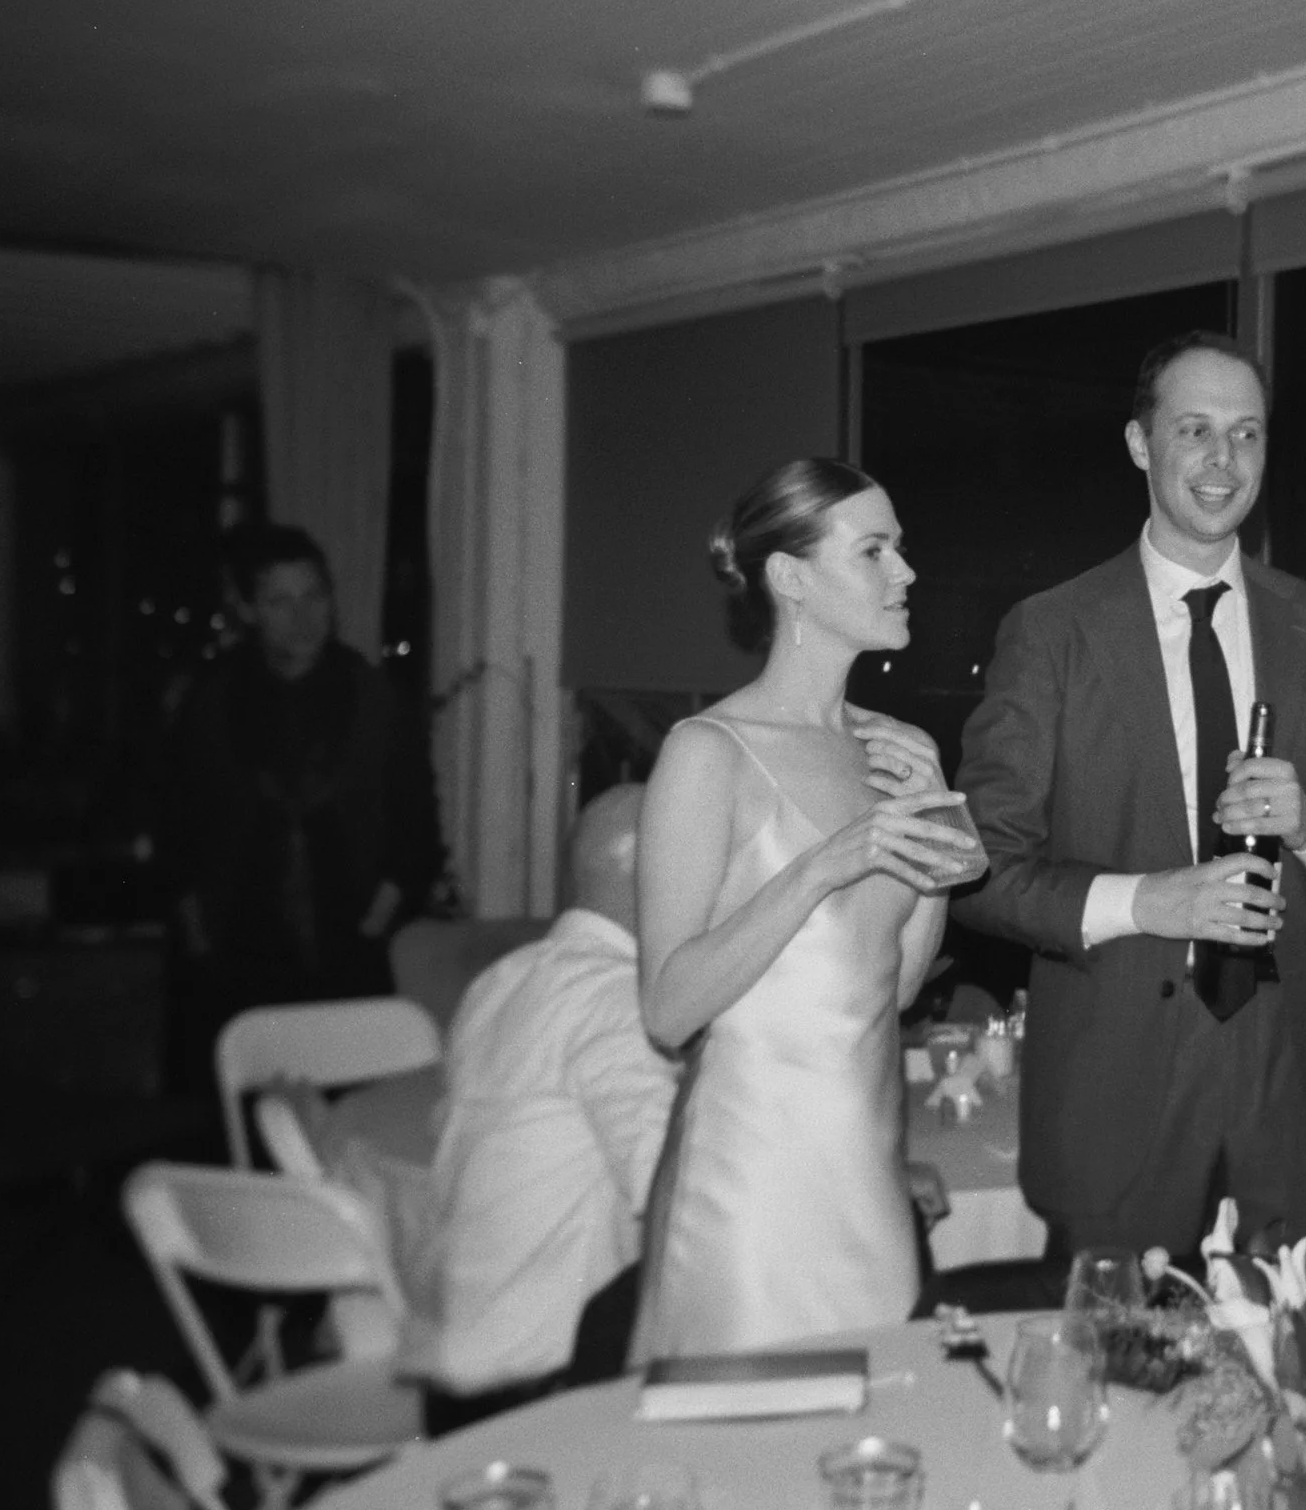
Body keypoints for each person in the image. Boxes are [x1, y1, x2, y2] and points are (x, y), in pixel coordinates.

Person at [952, 332, 1306, 1263]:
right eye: (1196, 431)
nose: (1223, 461)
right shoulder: (1052, 635)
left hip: (1300, 1082)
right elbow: (983, 869)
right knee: (1120, 1386)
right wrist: (1146, 901)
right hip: (1120, 1090)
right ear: (1140, 444)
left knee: (1296, 1389)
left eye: (1246, 435)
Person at [629, 460, 985, 1360]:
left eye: (899, 549)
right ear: (790, 578)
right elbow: (668, 1011)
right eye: (874, 551)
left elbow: (894, 989)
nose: (905, 573)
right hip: (750, 1199)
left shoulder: (896, 749)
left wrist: (942, 858)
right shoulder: (706, 753)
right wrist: (821, 866)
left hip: (865, 1186)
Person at [395, 785, 680, 1437]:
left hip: (454, 1373)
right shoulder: (617, 1002)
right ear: (661, 872)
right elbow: (677, 1192)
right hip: (547, 1391)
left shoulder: (504, 979)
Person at [163, 522, 443, 1095]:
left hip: (350, 956)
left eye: (314, 595)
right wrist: (198, 934)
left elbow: (418, 828)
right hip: (238, 959)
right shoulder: (210, 701)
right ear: (246, 609)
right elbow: (176, 822)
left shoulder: (374, 698)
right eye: (279, 600)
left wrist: (376, 919)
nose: (302, 616)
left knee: (348, 1118)